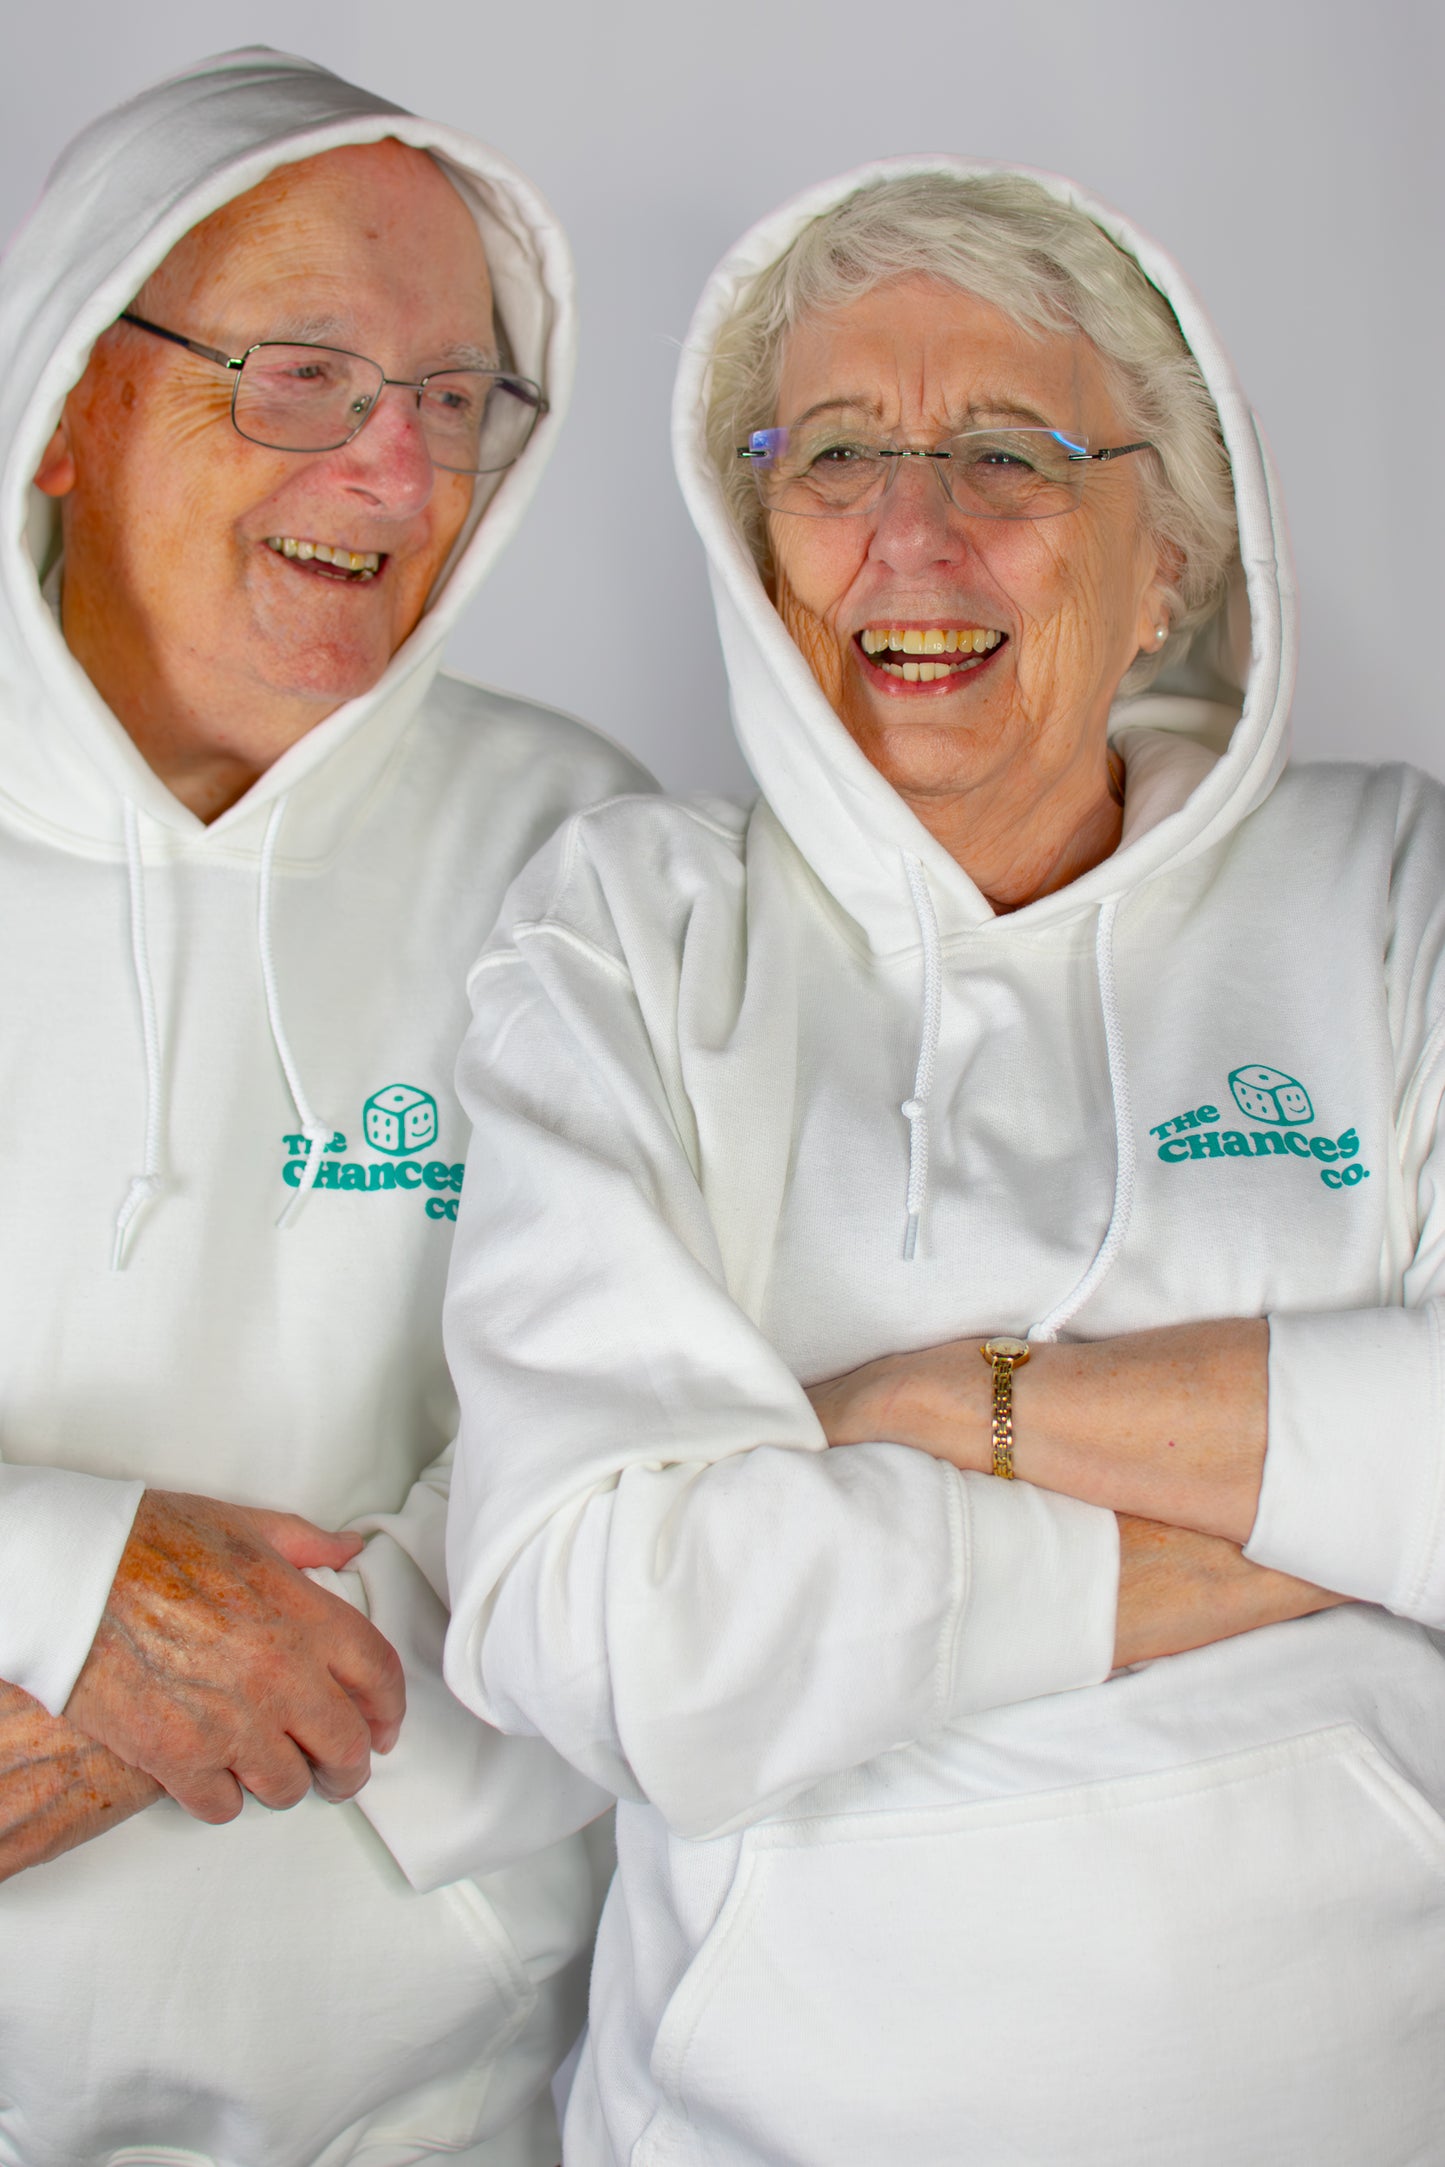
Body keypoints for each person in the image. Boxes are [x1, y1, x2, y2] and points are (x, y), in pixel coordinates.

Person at [440, 158, 1445, 2167]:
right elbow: (604, 1622)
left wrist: (942, 1402)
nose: (914, 531)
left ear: (1168, 554)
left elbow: (727, 1590)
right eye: (836, 457)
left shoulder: (1391, 888)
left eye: (1008, 453)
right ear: (756, 537)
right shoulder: (633, 928)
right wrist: (1314, 1520)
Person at [0, 46, 648, 2167]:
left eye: (455, 405)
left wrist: (172, 1708)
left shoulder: (588, 855)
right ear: (73, 397)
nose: (391, 475)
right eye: (300, 375)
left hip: (417, 2095)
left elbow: (659, 1441)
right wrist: (58, 1584)